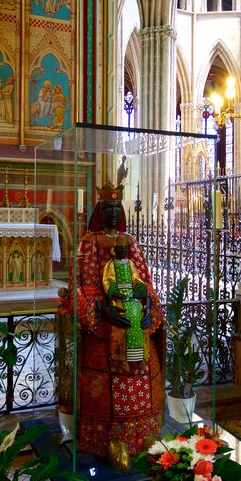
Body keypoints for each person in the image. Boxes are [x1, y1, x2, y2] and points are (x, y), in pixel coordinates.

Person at [63, 178, 164, 465]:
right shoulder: (88, 243)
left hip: (135, 323)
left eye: (115, 208)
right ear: (98, 210)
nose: (111, 214)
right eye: (106, 208)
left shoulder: (130, 242)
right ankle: (109, 437)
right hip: (105, 327)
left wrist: (147, 305)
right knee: (106, 377)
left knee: (144, 370)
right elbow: (83, 285)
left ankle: (145, 431)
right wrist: (101, 310)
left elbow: (144, 280)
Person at [102, 236, 147, 362]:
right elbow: (107, 280)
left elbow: (136, 278)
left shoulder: (130, 263)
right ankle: (122, 356)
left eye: (124, 249)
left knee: (138, 313)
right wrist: (114, 292)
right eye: (119, 249)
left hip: (131, 295)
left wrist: (139, 288)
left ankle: (139, 355)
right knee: (122, 315)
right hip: (118, 296)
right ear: (114, 250)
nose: (122, 251)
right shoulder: (110, 264)